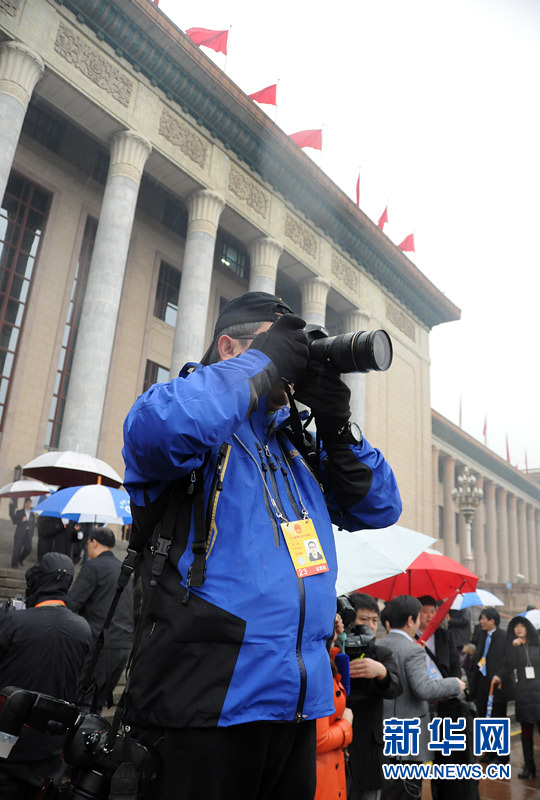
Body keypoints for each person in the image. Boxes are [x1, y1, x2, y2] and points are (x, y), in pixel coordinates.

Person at [122, 291, 402, 800]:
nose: (292, 365)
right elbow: (161, 432)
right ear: (229, 348)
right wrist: (261, 365)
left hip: (296, 704)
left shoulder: (296, 448)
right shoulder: (178, 412)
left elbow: (379, 505)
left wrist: (337, 427)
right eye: (280, 347)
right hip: (203, 701)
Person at [0, 553, 93, 798]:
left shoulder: (12, 621)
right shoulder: (83, 629)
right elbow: (84, 688)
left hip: (6, 743)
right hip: (52, 746)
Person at [381, 596, 465, 800]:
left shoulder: (379, 644)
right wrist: (455, 684)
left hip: (385, 729)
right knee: (409, 790)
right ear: (411, 620)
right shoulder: (413, 649)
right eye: (420, 615)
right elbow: (423, 688)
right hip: (409, 732)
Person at [67, 527, 133, 713]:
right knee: (97, 703)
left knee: (83, 702)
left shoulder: (93, 567)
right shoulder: (125, 570)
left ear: (94, 543)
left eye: (88, 543)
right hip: (123, 645)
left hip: (100, 645)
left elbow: (72, 602)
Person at [346, 593, 402, 800]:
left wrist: (381, 672)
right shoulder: (335, 651)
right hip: (340, 741)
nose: (370, 625)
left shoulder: (381, 654)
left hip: (370, 745)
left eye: (374, 620)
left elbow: (395, 688)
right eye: (364, 619)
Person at [494, 615, 540, 779]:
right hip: (523, 693)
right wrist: (498, 676)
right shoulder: (514, 648)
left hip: (539, 693)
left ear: (528, 628)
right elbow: (507, 666)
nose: (518, 629)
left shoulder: (537, 645)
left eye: (522, 626)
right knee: (526, 731)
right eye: (516, 627)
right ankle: (529, 765)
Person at [468, 607, 507, 719]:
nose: (481, 622)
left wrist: (500, 675)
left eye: (483, 619)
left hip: (496, 682)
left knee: (497, 716)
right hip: (482, 679)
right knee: (481, 713)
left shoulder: (504, 637)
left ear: (492, 621)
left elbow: (508, 661)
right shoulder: (481, 634)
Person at [416, 595, 460, 680]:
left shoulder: (445, 635)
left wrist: (455, 682)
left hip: (442, 682)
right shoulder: (411, 636)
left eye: (432, 612)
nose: (429, 616)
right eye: (425, 612)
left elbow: (455, 662)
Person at [8, 497, 35, 569]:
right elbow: (14, 521)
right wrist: (21, 520)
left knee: (28, 549)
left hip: (28, 535)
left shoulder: (32, 514)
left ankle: (20, 559)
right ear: (25, 504)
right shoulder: (20, 512)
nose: (28, 505)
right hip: (19, 534)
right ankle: (14, 563)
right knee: (17, 550)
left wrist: (31, 533)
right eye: (27, 503)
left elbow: (33, 525)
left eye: (30, 503)